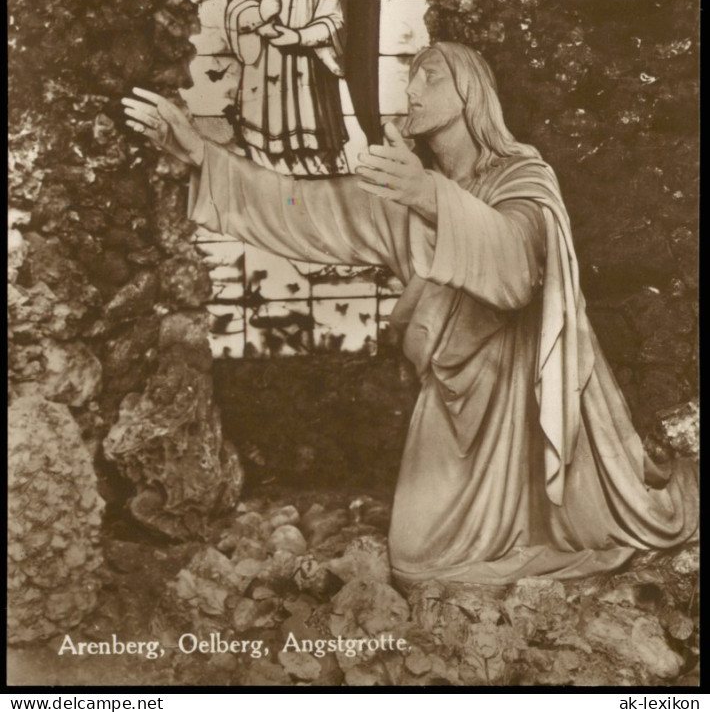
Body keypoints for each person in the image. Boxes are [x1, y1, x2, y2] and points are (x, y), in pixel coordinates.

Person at [122, 44, 697, 584]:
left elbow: (521, 266)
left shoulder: (522, 175)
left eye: (431, 75)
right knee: (419, 560)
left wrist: (430, 196)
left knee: (452, 557)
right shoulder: (406, 188)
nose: (413, 89)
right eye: (411, 76)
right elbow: (303, 208)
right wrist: (203, 154)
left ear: (471, 94)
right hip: (452, 395)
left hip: (522, 389)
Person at [226, 0, 349, 176]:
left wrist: (298, 37)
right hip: (267, 68)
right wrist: (258, 13)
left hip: (307, 70)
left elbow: (335, 22)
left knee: (312, 154)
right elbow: (238, 8)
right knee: (268, 160)